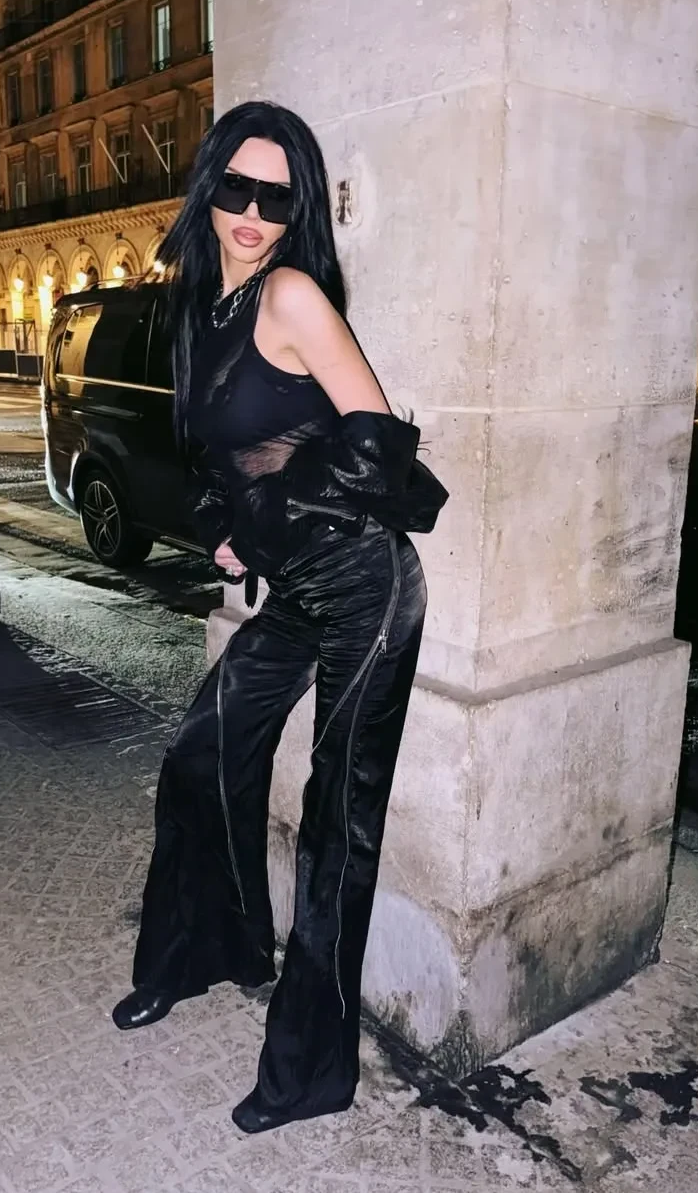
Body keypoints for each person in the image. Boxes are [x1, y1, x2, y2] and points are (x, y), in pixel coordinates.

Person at [111, 101, 447, 1134]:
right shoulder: (200, 305)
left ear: (298, 210)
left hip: (365, 589)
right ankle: (206, 951)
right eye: (237, 189)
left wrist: (269, 526)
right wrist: (229, 526)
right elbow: (215, 457)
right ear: (208, 189)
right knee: (201, 755)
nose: (253, 213)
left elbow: (376, 447)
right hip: (301, 590)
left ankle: (311, 1073)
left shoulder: (291, 294)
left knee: (337, 825)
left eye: (277, 197)